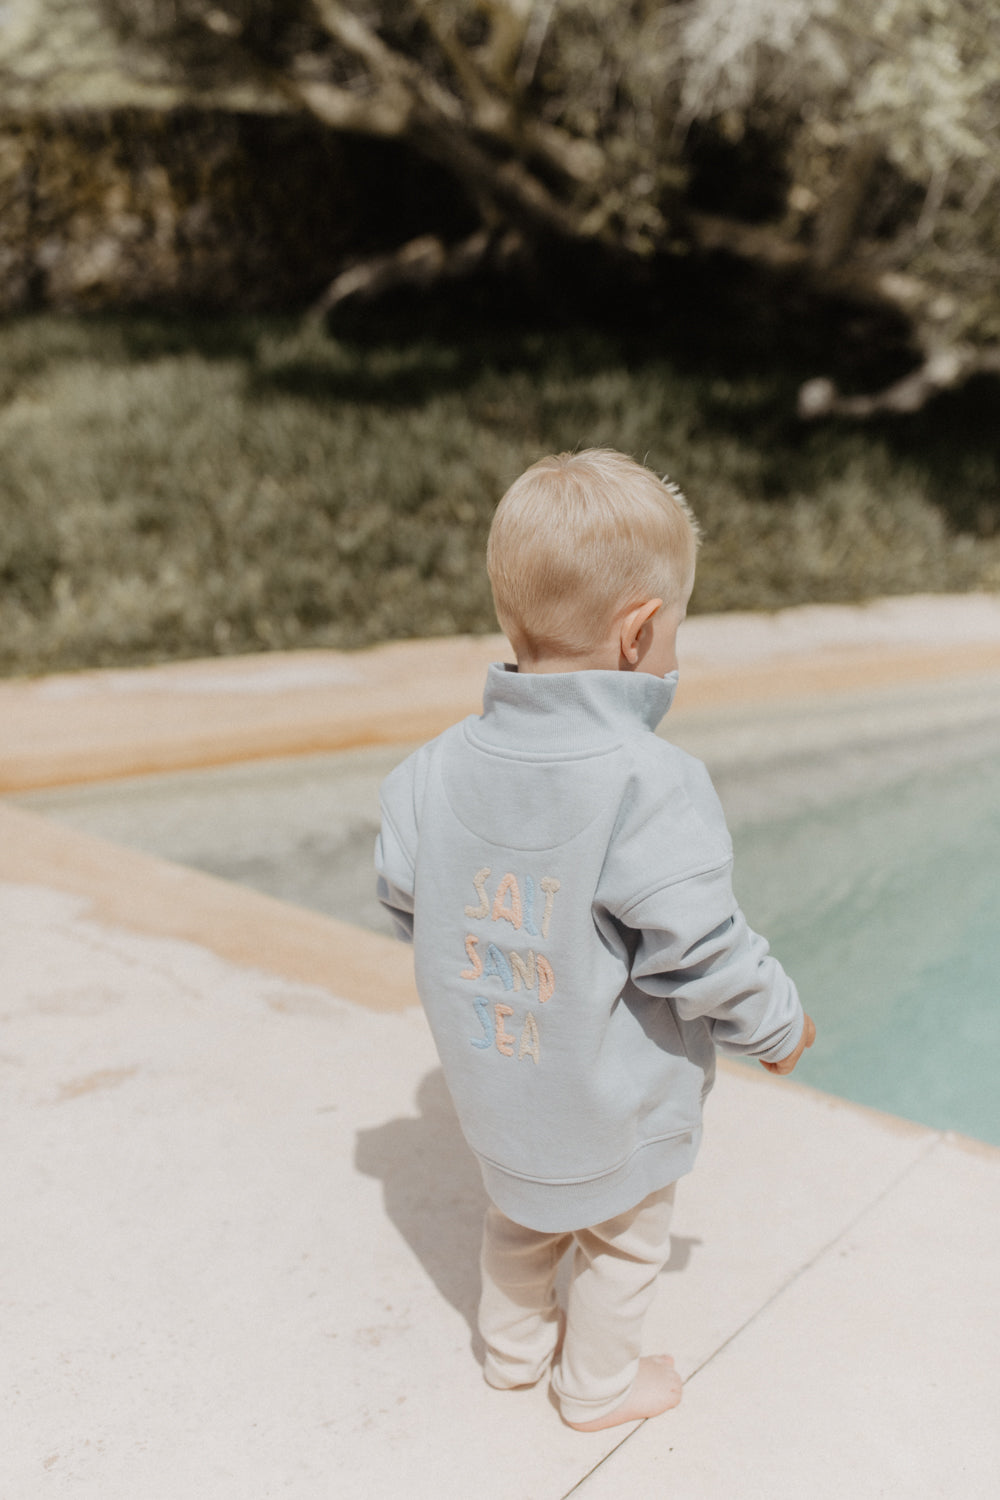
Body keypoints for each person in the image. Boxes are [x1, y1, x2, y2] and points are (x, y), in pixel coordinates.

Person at [375, 448, 815, 1431]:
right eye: (673, 639)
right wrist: (775, 1024)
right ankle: (598, 1388)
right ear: (639, 632)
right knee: (620, 1241)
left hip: (497, 1088)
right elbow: (703, 949)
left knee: (519, 1219)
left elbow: (408, 897)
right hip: (611, 1104)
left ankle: (513, 1354)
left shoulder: (430, 770)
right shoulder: (647, 782)